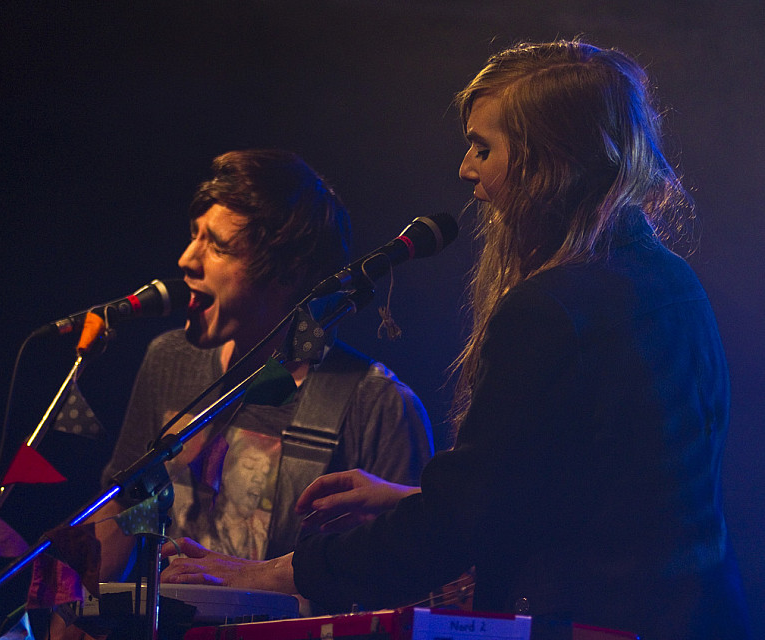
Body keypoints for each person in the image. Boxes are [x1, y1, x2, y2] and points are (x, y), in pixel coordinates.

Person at [159, 42, 751, 640]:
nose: (467, 169)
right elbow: (596, 490)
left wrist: (272, 575)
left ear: (551, 161)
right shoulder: (672, 281)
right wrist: (409, 498)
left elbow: (458, 530)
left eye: (483, 148)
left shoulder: (550, 308)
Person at [91, 148, 434, 583]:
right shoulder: (170, 360)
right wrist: (65, 592)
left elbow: (406, 574)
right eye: (195, 235)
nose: (187, 259)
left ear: (288, 274)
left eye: (218, 246)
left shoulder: (377, 404)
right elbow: (124, 509)